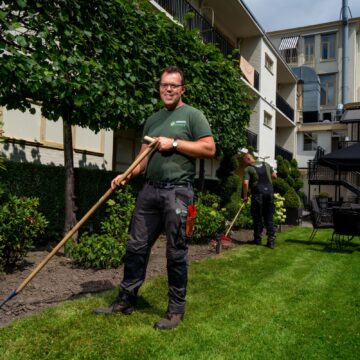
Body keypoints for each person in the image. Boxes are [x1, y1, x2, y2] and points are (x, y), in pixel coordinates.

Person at [94, 65, 216, 330]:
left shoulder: (193, 116)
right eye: (164, 85)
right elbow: (141, 160)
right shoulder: (152, 119)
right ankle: (126, 300)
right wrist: (127, 175)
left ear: (182, 89)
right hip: (149, 191)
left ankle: (175, 311)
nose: (168, 89)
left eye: (173, 85)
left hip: (179, 192)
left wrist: (173, 143)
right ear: (159, 87)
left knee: (176, 252)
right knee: (135, 247)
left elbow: (209, 148)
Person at [242, 152, 277, 249]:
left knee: (257, 217)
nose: (244, 163)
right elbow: (274, 176)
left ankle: (257, 240)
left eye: (244, 161)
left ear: (248, 159)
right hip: (269, 193)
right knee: (269, 217)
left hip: (258, 195)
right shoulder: (266, 164)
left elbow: (245, 183)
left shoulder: (248, 168)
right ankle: (271, 242)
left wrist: (245, 196)